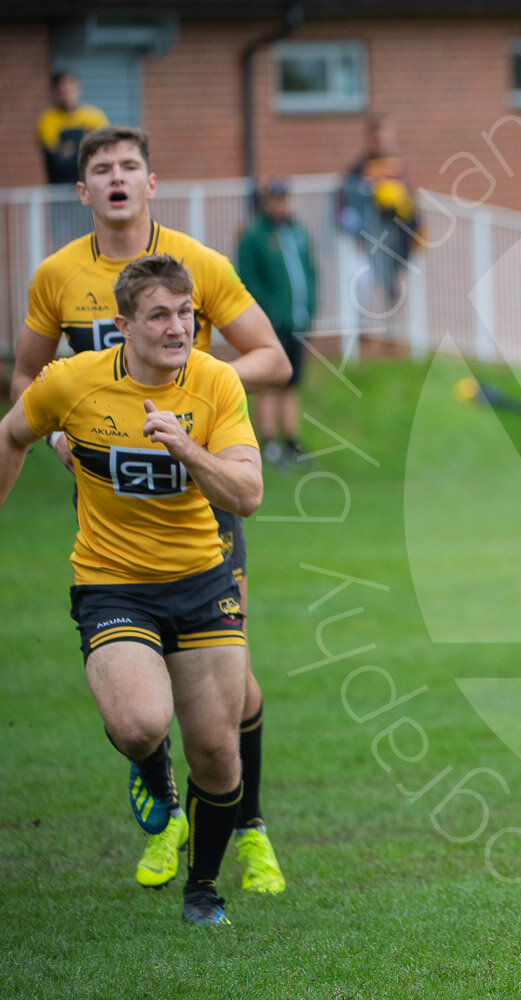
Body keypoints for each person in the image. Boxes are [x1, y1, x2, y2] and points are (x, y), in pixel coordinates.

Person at [11, 124, 291, 895]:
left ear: (151, 182)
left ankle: (250, 829)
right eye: (102, 168)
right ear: (83, 190)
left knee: (235, 689)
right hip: (110, 488)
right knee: (140, 701)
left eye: (130, 165)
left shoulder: (198, 264)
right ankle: (163, 797)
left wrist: (194, 386)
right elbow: (27, 380)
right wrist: (57, 436)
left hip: (202, 487)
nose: (117, 178)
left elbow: (273, 356)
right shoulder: (57, 275)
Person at [237, 177, 318, 469]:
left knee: (292, 381)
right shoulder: (254, 236)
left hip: (298, 321)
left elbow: (309, 272)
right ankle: (268, 441)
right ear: (266, 202)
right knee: (270, 381)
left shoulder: (298, 231)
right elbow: (248, 280)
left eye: (284, 198)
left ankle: (291, 441)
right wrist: (271, 311)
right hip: (270, 324)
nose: (281, 204)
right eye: (275, 199)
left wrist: (310, 307)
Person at [336, 114, 420, 318]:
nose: (382, 140)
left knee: (395, 287)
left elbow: (410, 204)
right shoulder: (360, 169)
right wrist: (353, 232)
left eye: (387, 134)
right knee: (364, 284)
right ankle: (363, 331)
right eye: (378, 135)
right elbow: (344, 203)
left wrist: (416, 230)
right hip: (367, 240)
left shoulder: (397, 168)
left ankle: (392, 330)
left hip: (395, 239)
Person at [36, 70, 109, 249]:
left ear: (78, 88)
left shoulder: (94, 117)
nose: (67, 94)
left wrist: (70, 149)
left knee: (95, 239)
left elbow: (104, 154)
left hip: (91, 192)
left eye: (70, 89)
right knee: (65, 243)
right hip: (61, 194)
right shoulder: (48, 121)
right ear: (54, 92)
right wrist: (84, 142)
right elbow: (57, 163)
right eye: (62, 90)